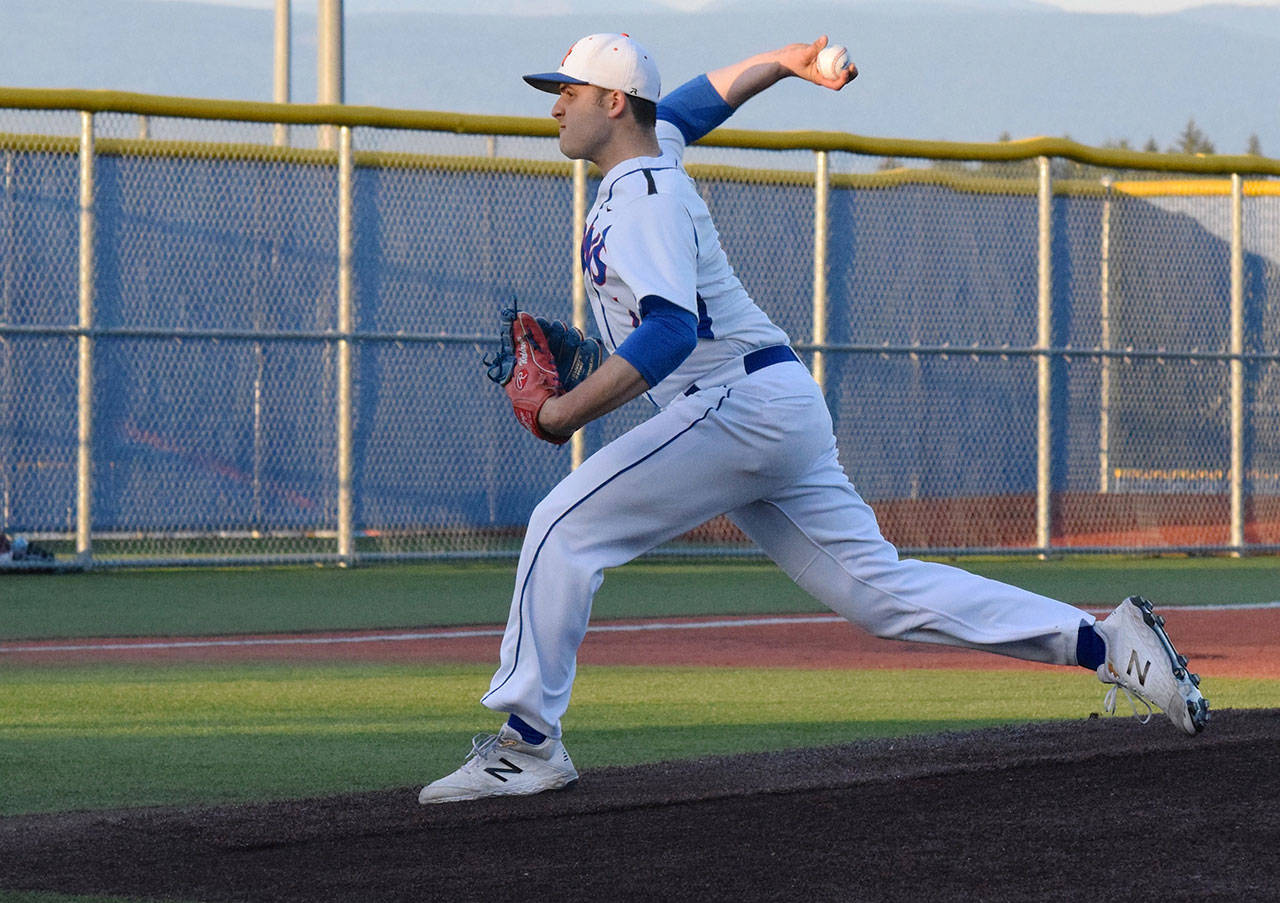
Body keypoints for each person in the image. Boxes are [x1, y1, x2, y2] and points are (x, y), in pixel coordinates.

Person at [417, 33, 1209, 804]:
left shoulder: (642, 201)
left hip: (732, 405)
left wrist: (562, 413)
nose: (556, 107)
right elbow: (693, 103)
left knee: (561, 525)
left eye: (569, 91)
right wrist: (783, 63)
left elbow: (670, 332)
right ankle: (1105, 641)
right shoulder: (654, 154)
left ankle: (527, 743)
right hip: (773, 402)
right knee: (879, 594)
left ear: (615, 102)